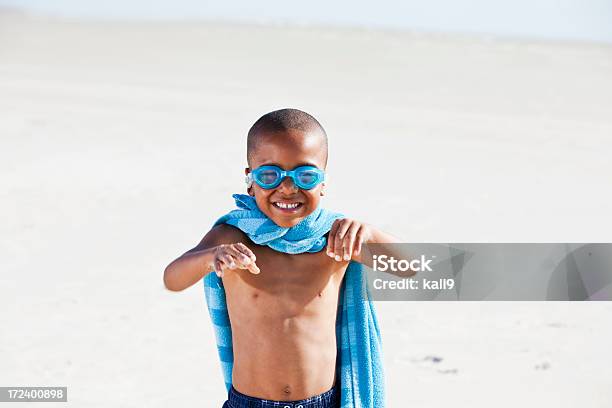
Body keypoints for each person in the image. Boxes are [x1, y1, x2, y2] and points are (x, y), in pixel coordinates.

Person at [163, 108, 400, 408]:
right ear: (250, 179)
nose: (287, 188)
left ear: (323, 182)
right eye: (270, 174)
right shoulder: (232, 237)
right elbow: (172, 279)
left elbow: (422, 269)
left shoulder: (337, 238)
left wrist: (370, 236)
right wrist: (211, 257)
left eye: (305, 175)